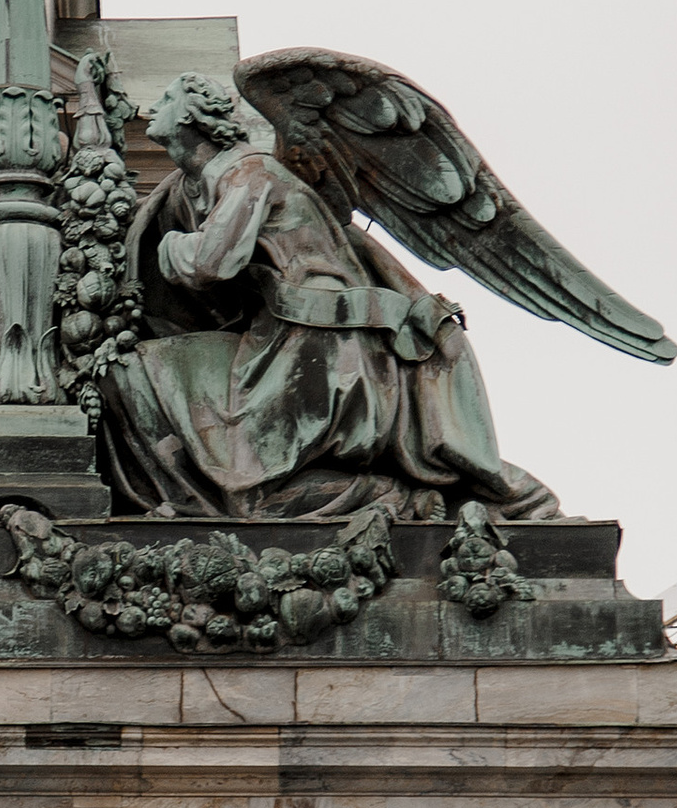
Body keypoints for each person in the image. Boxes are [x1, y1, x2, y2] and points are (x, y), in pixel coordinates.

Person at [98, 74, 559, 522]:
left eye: (166, 98)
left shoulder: (250, 172)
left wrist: (171, 246)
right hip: (286, 337)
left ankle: (404, 499)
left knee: (247, 483)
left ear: (194, 116)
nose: (154, 107)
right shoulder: (201, 182)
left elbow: (213, 262)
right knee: (136, 378)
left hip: (322, 344)